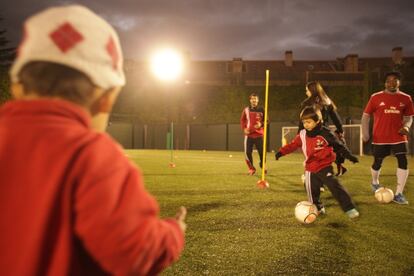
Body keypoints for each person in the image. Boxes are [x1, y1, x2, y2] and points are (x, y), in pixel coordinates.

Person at [0, 5, 186, 276]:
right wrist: (172, 232)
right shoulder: (93, 154)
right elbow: (133, 252)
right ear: (107, 97)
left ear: (17, 86)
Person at [275, 106, 360, 218]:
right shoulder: (302, 134)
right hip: (310, 169)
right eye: (304, 122)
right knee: (311, 191)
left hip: (325, 167)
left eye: (309, 122)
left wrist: (349, 156)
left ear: (318, 121)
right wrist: (281, 152)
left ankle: (349, 208)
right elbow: (292, 145)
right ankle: (318, 208)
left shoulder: (326, 133)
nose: (306, 125)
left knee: (335, 186)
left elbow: (339, 146)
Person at [361, 71, 414, 204]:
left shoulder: (406, 98)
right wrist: (365, 133)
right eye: (388, 80)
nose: (392, 83)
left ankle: (399, 194)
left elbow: (408, 118)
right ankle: (374, 182)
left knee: (403, 161)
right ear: (385, 83)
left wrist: (407, 127)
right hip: (380, 137)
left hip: (399, 136)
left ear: (399, 82)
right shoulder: (375, 97)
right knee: (377, 162)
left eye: (395, 80)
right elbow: (366, 116)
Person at [299, 81, 348, 176]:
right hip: (325, 132)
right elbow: (335, 117)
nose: (306, 92)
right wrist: (340, 130)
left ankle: (318, 176)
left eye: (307, 90)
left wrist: (300, 134)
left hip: (313, 133)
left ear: (311, 90)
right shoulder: (327, 101)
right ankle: (338, 167)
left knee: (316, 155)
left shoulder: (307, 103)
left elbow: (302, 120)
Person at [240, 93, 265, 175]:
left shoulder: (262, 109)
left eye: (255, 99)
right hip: (249, 135)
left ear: (258, 100)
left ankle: (262, 164)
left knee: (262, 152)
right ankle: (251, 168)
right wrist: (244, 128)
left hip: (259, 135)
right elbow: (242, 120)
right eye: (252, 99)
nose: (254, 100)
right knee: (247, 152)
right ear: (250, 100)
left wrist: (260, 124)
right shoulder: (246, 109)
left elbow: (267, 121)